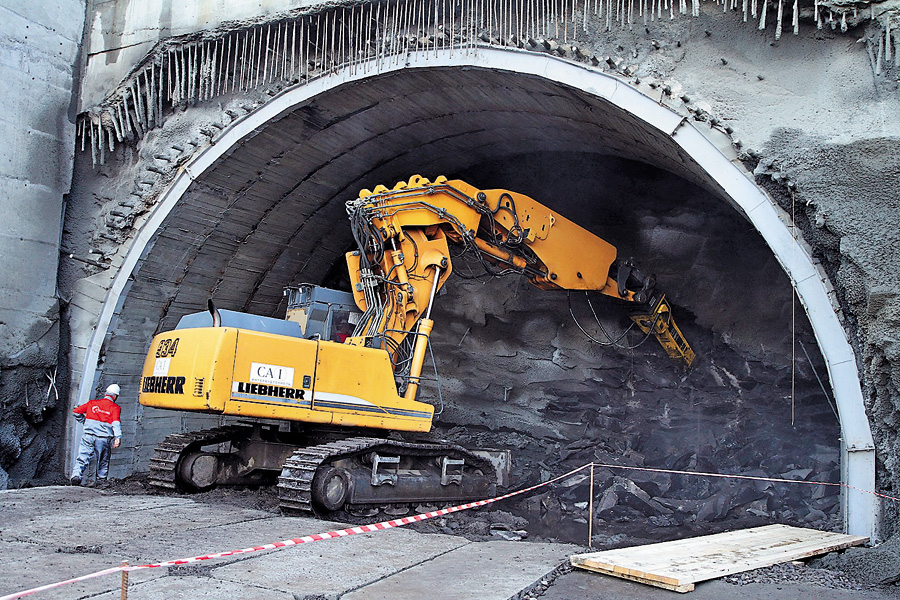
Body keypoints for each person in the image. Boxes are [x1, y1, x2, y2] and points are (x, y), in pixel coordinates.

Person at [71, 384, 122, 487]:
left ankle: (76, 475)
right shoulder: (115, 408)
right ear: (115, 396)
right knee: (103, 459)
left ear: (105, 393)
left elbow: (76, 411)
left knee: (83, 456)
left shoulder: (92, 403)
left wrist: (84, 421)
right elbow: (115, 423)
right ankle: (101, 480)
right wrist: (118, 437)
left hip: (88, 436)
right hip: (103, 438)